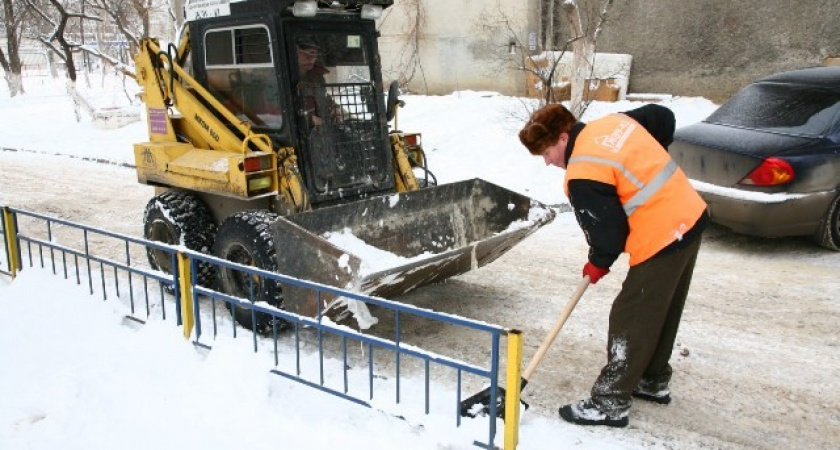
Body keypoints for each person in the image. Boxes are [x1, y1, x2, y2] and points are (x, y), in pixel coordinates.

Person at [518, 103, 709, 428]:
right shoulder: (611, 123)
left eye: (547, 152)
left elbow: (609, 235)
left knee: (631, 315)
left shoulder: (583, 173)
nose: (548, 161)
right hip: (690, 215)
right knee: (660, 308)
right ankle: (651, 379)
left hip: (662, 235)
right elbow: (661, 117)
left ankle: (610, 402)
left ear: (563, 137)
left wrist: (598, 262)